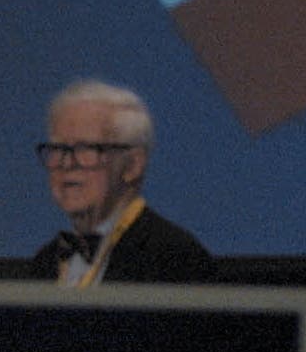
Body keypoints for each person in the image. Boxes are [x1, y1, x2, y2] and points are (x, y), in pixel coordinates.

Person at [27, 80, 215, 287]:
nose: (67, 163)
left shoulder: (175, 259)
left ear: (132, 166)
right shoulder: (44, 263)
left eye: (86, 149)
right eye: (58, 149)